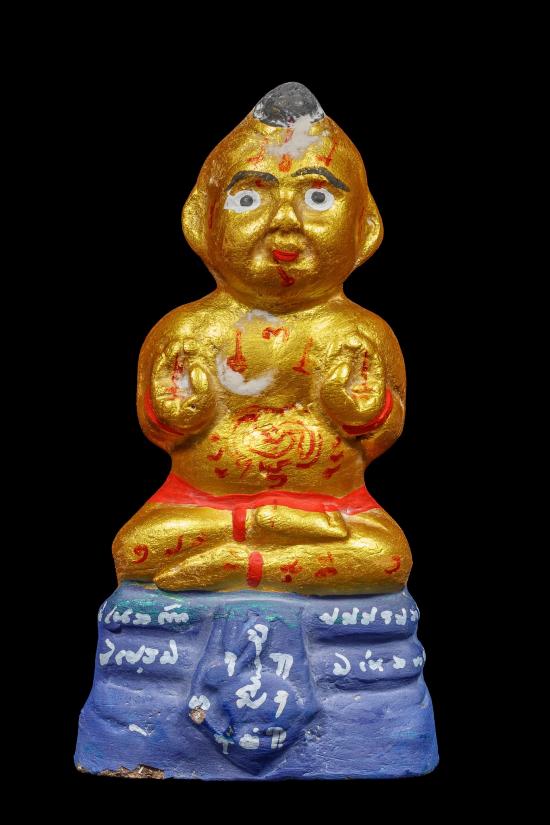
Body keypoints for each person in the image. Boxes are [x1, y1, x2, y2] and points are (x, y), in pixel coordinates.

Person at [113, 82, 411, 593]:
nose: (285, 221)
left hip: (338, 505)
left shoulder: (361, 331)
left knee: (386, 559)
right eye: (249, 197)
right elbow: (161, 428)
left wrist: (364, 411)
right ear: (201, 222)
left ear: (365, 227)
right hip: (201, 504)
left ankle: (247, 566)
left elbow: (382, 435)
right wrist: (176, 408)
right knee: (136, 547)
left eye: (317, 197)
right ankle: (262, 529)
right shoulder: (187, 329)